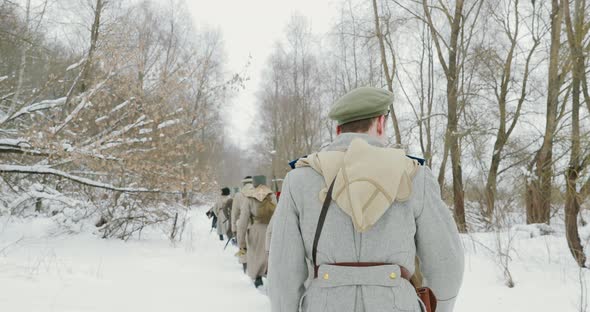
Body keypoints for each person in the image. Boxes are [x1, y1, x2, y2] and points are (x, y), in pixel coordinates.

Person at [268, 87, 464, 312]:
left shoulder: (299, 180)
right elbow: (447, 265)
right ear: (380, 123)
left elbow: (283, 272)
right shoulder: (415, 176)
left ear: (338, 129)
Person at [237, 175, 277, 288]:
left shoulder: (249, 197)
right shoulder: (271, 196)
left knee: (255, 256)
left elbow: (243, 222)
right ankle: (270, 275)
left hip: (256, 231)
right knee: (269, 254)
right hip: (271, 230)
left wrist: (241, 242)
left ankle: (258, 278)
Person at [232, 176, 254, 273]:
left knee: (243, 245)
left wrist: (233, 228)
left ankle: (245, 267)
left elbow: (234, 213)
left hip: (242, 224)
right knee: (255, 246)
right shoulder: (258, 193)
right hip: (256, 224)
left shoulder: (238, 195)